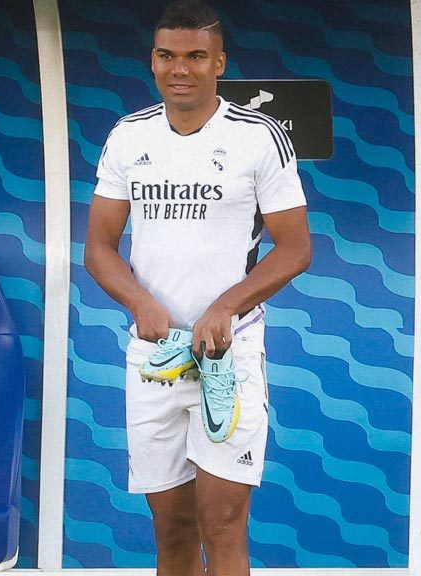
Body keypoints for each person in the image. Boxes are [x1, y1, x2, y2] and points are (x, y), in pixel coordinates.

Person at [83, 1, 312, 574]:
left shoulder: (258, 136)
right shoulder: (128, 136)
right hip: (154, 358)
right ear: (152, 61)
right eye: (167, 56)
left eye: (195, 56)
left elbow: (295, 247)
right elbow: (98, 248)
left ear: (219, 63)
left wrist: (225, 307)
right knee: (173, 529)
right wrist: (139, 301)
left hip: (228, 356)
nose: (179, 69)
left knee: (223, 524)